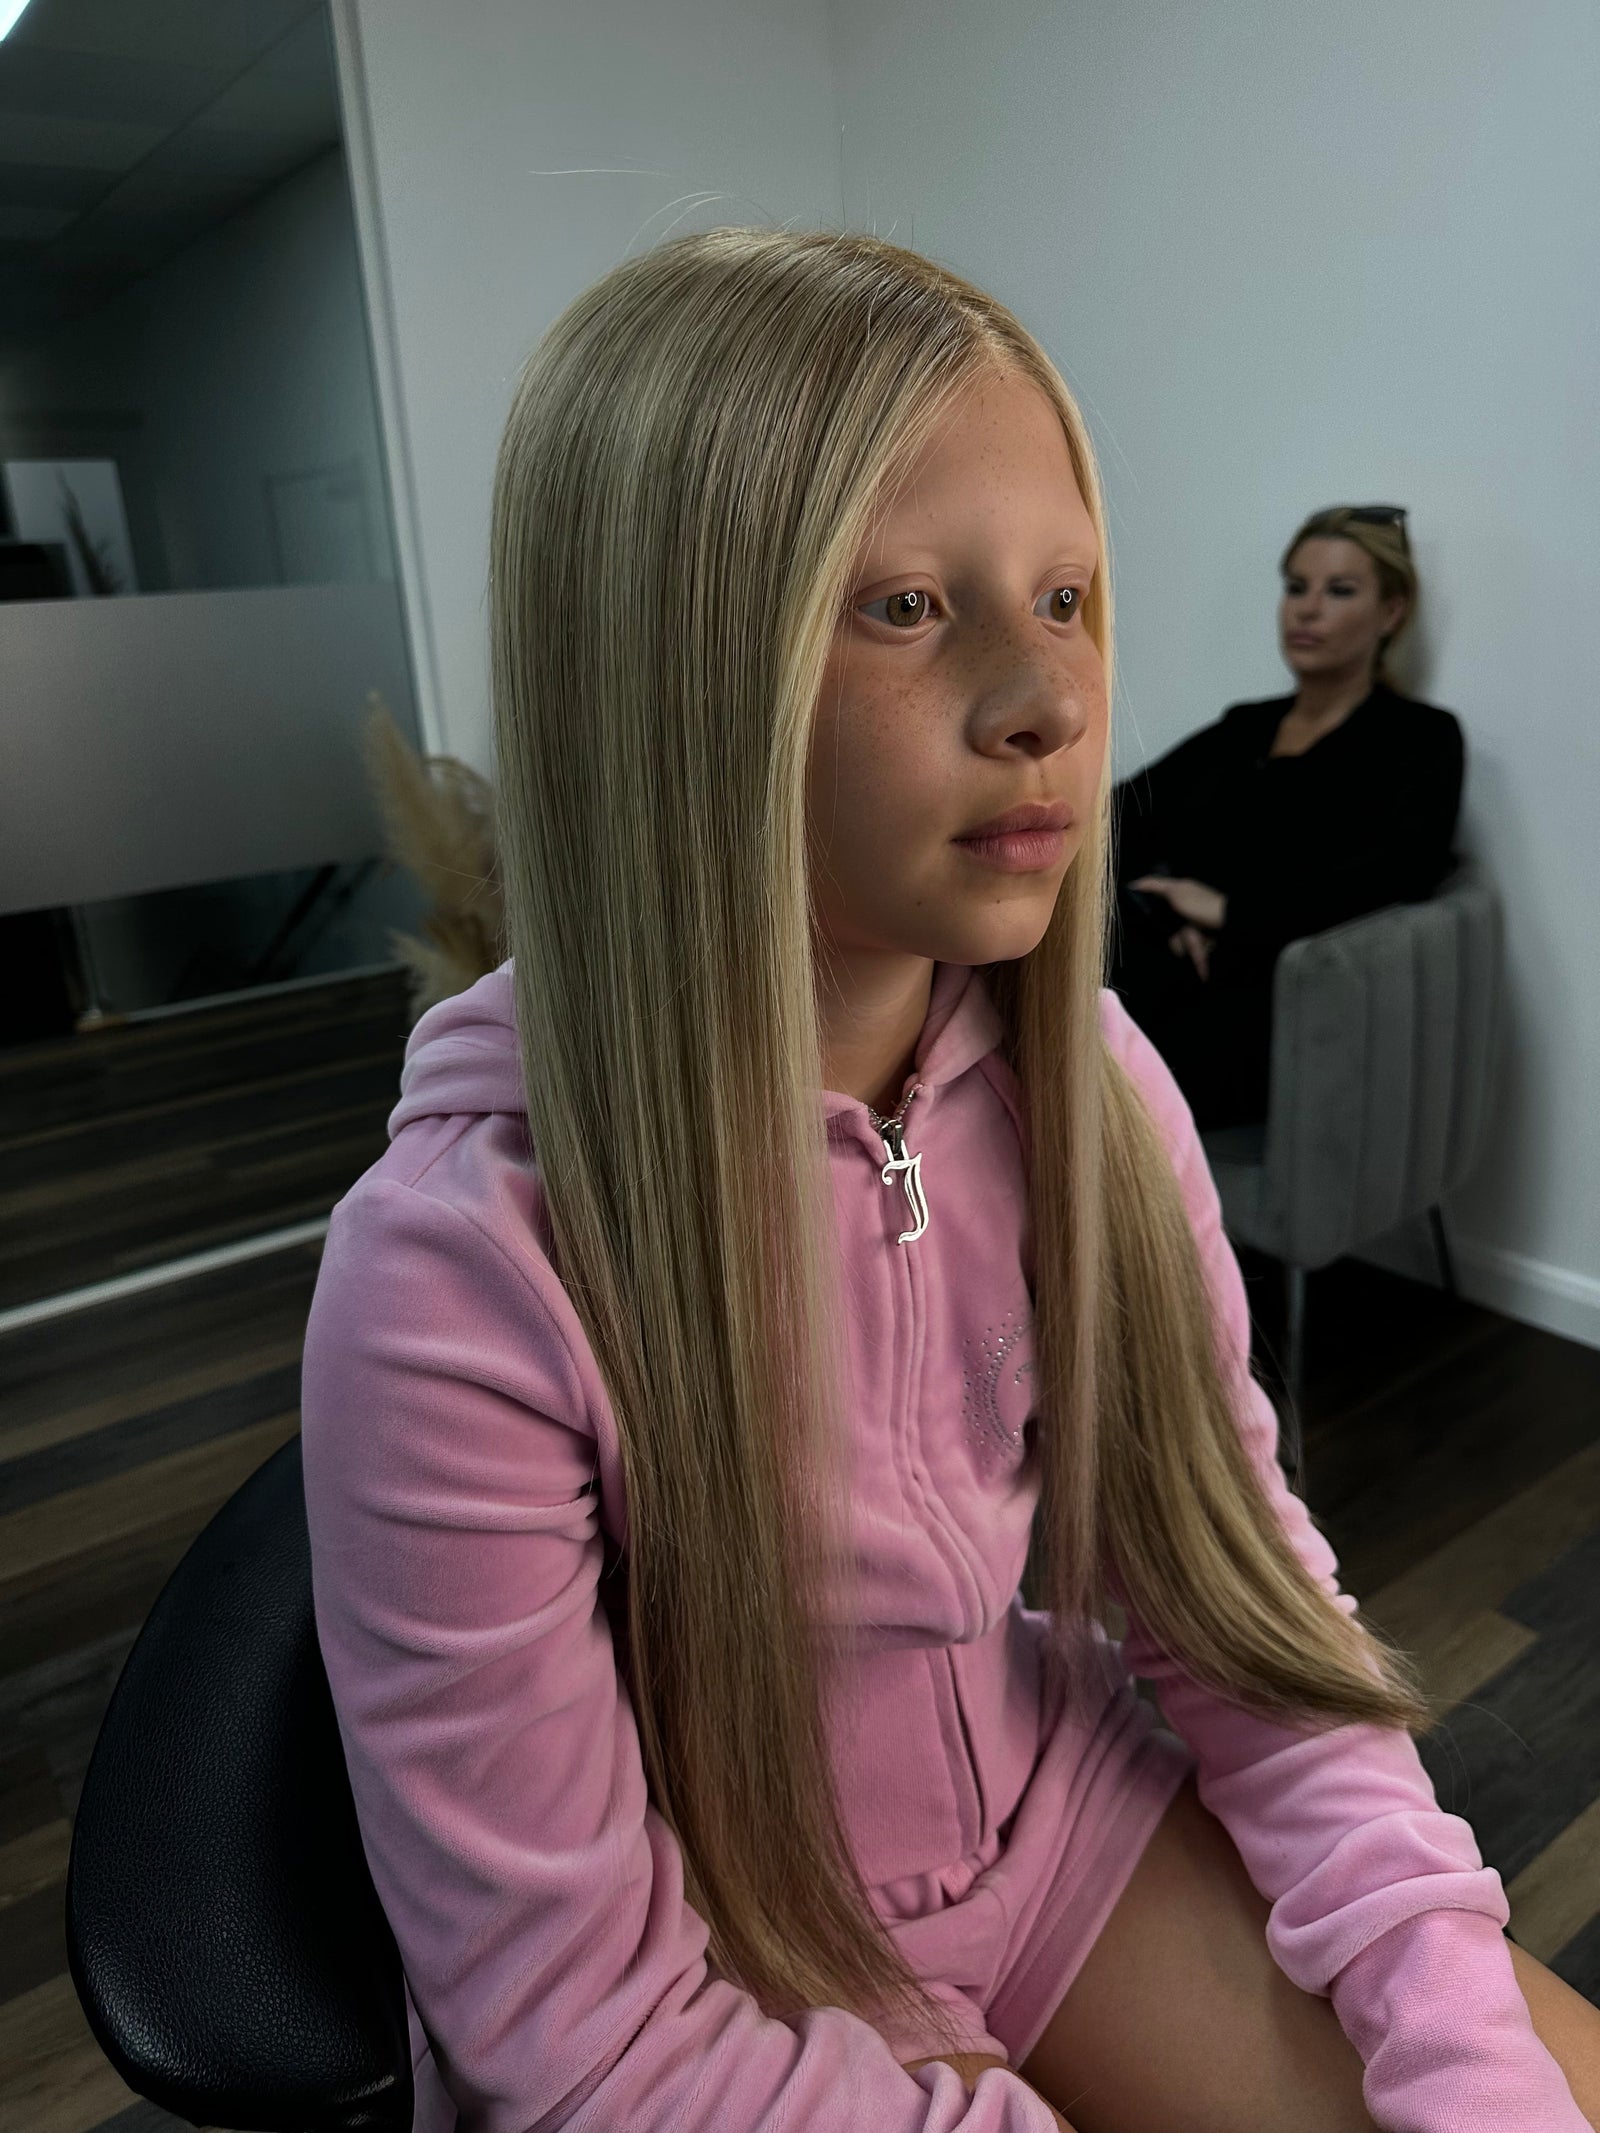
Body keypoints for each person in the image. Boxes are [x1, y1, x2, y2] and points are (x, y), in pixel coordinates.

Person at [298, 229, 1599, 2132]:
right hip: (722, 1963)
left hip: (1050, 1828)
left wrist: (1461, 2045)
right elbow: (587, 2031)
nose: (1047, 696)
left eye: (1065, 592)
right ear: (668, 667)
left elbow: (1251, 1621)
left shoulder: (1093, 1094)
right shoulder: (459, 1279)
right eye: (908, 604)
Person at [1108, 508, 1464, 1131]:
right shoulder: (1246, 727)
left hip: (1273, 1017)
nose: (1306, 609)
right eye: (1296, 587)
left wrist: (1228, 914)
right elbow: (1117, 819)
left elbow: (1397, 876)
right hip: (1161, 971)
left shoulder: (1418, 741)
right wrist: (1169, 909)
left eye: (1340, 591)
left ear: (1391, 612)